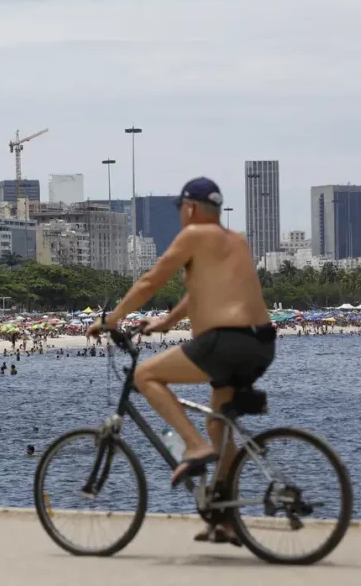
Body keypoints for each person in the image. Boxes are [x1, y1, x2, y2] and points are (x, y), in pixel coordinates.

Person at [87, 177, 274, 546]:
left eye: (179, 209)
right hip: (261, 344)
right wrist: (165, 322)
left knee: (145, 375)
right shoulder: (235, 241)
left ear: (190, 208)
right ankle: (225, 517)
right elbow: (201, 293)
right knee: (218, 426)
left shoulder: (193, 236)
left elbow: (150, 282)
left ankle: (192, 446)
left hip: (224, 340)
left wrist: (112, 320)